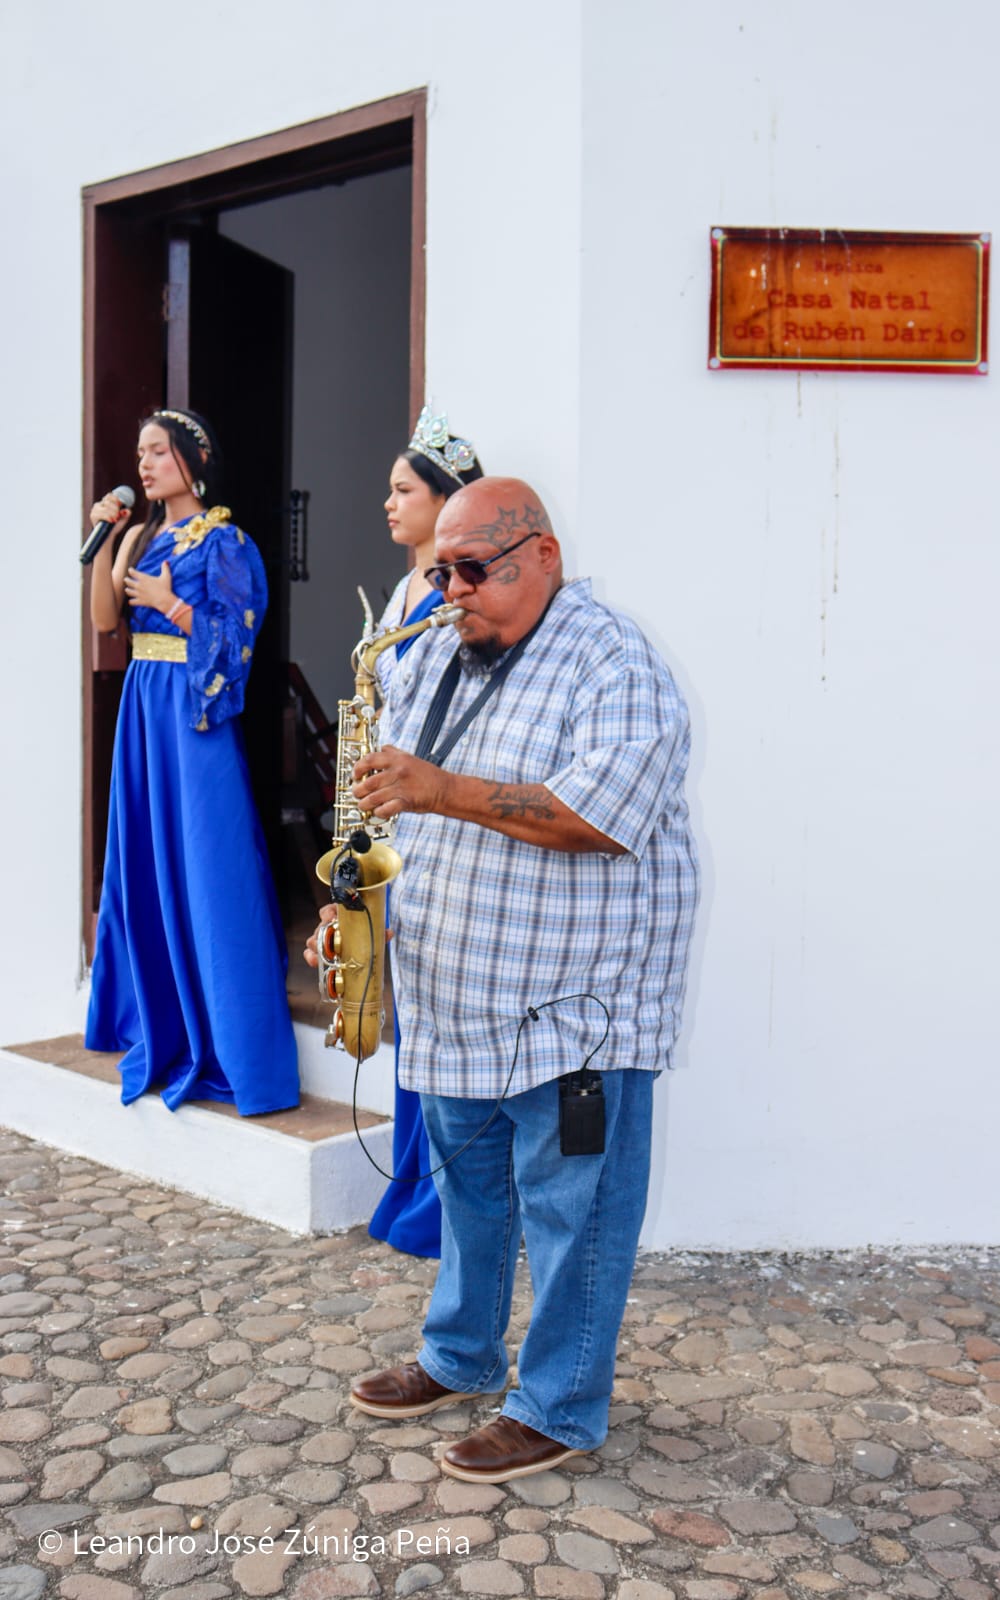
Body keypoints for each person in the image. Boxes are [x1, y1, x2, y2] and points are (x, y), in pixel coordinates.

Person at [307, 476, 699, 1484]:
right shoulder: (435, 648)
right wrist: (349, 908)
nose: (451, 591)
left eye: (472, 569)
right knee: (468, 1192)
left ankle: (559, 1403)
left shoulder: (616, 662)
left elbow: (598, 815)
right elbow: (389, 810)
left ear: (543, 555)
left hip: (576, 1007)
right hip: (454, 992)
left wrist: (440, 786)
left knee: (575, 1209)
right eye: (441, 570)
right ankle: (460, 1354)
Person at [85, 408, 299, 1116]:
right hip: (144, 705)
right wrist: (106, 543)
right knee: (144, 857)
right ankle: (154, 1015)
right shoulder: (139, 533)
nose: (143, 465)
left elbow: (239, 638)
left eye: (157, 452)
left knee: (209, 859)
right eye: (139, 453)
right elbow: (106, 623)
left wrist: (174, 605)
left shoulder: (224, 540)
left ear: (192, 460)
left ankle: (235, 1038)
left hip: (192, 708)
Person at [367, 404, 483, 1260]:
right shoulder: (402, 589)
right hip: (390, 811)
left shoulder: (453, 590)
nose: (386, 502)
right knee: (401, 996)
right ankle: (411, 1180)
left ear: (444, 502)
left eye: (402, 489)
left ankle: (446, 1202)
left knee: (438, 1005)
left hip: (434, 818)